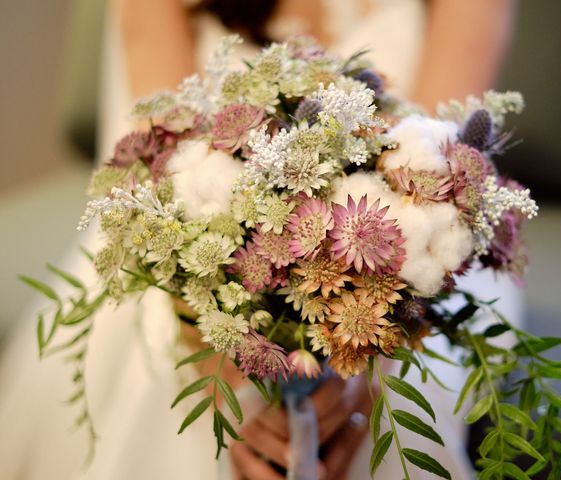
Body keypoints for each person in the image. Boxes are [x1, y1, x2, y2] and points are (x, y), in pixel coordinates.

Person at [0, 1, 521, 479]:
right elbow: (164, 178)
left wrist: (364, 379)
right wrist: (230, 378)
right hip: (192, 260)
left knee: (413, 397)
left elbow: (433, 183)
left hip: (412, 269)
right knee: (153, 373)